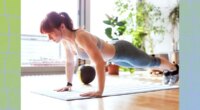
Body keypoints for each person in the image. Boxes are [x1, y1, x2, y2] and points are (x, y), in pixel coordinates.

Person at [40, 11, 179, 97]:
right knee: (146, 65)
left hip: (123, 51)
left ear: (62, 26)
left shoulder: (80, 36)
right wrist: (68, 84)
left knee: (149, 62)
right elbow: (69, 62)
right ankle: (167, 71)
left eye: (50, 33)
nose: (49, 38)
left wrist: (99, 91)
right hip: (115, 58)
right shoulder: (66, 42)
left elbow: (99, 62)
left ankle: (174, 69)